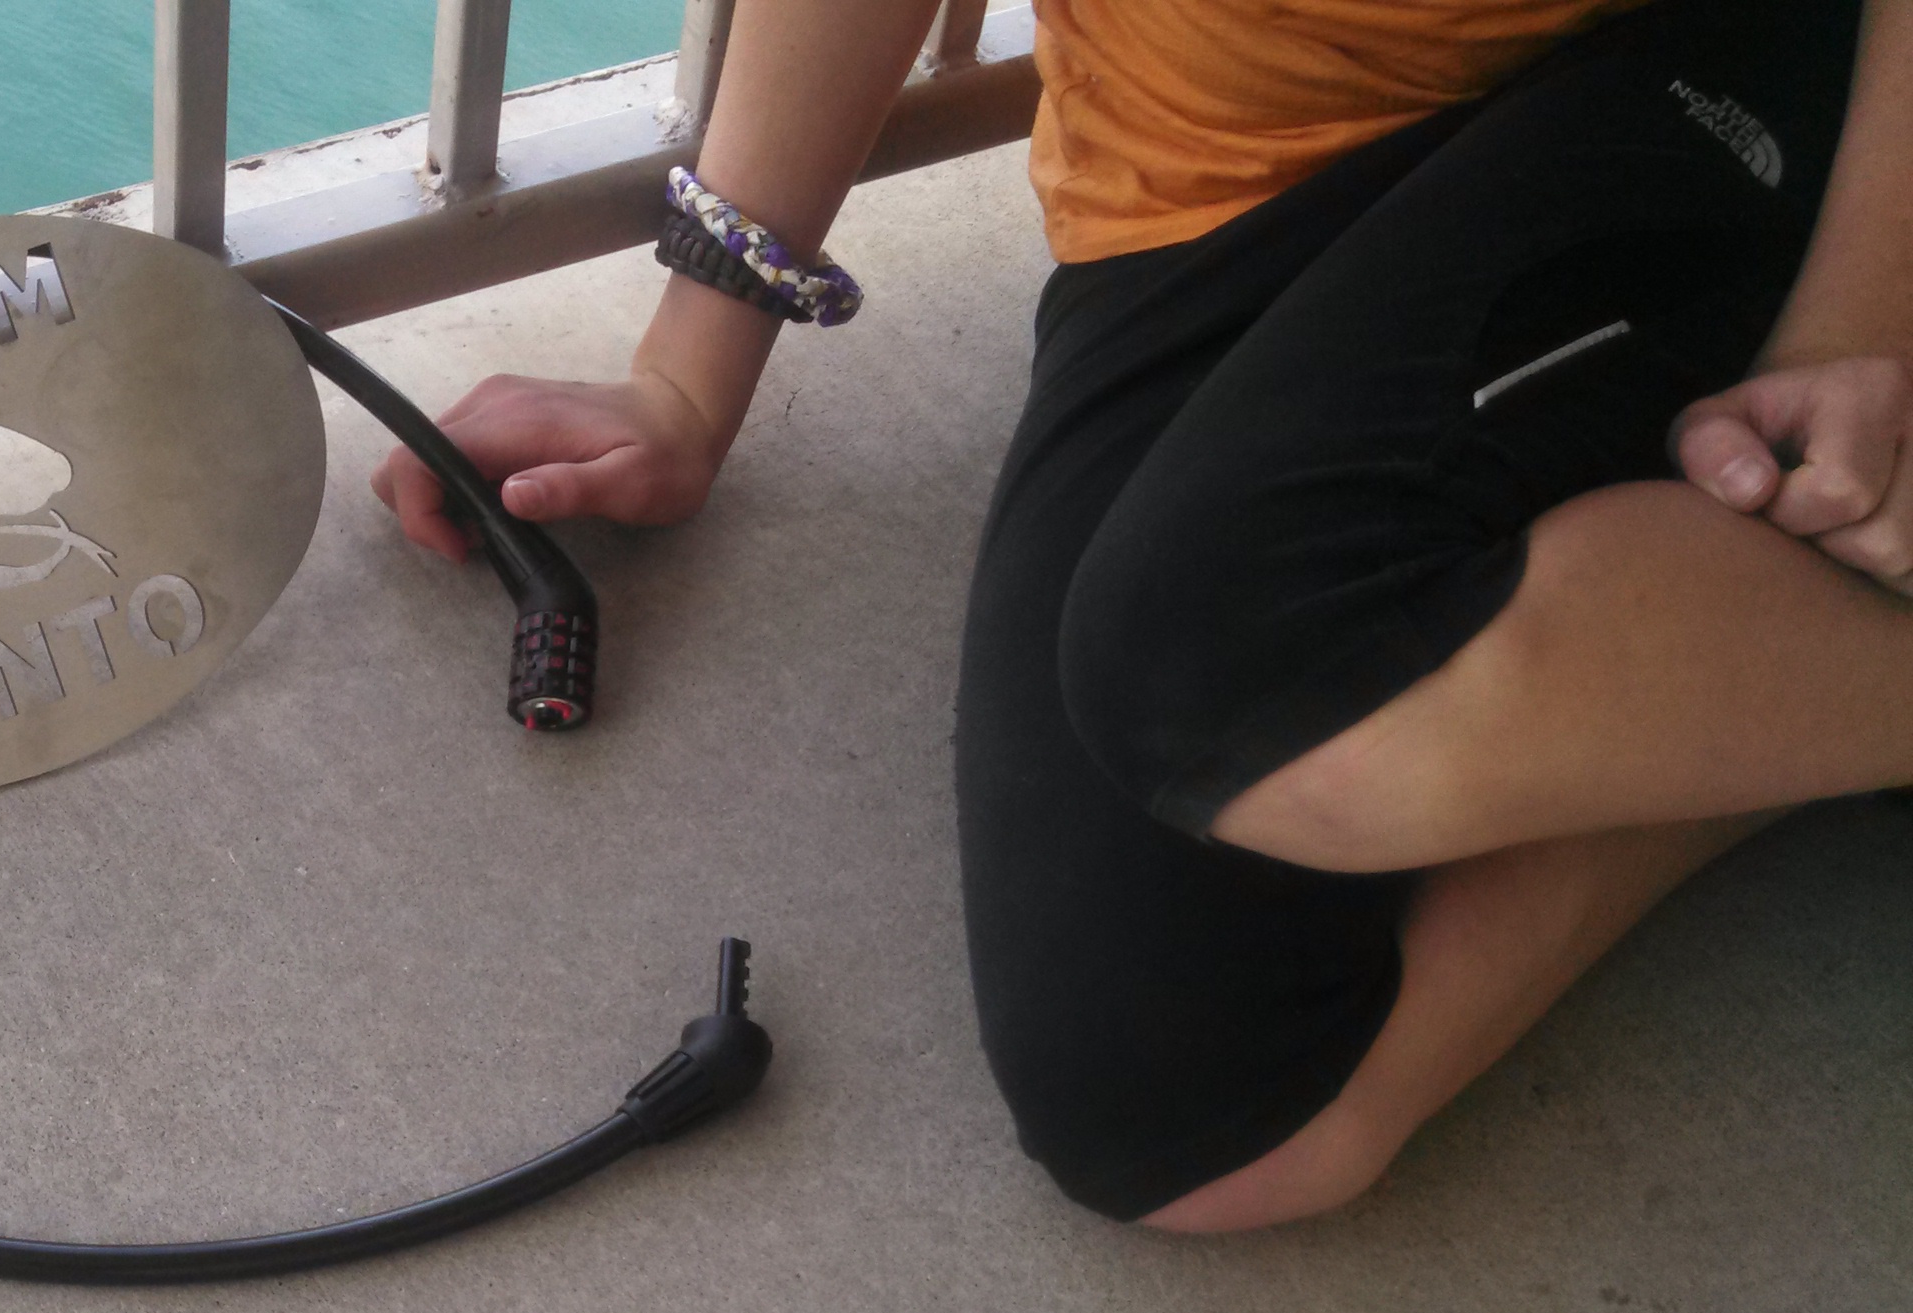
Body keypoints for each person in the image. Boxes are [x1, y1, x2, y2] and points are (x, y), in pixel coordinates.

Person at [373, 0, 1912, 1232]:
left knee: (1235, 672)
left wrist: (1859, 334)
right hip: (1195, 206)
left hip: (1684, 83)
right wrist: (686, 374)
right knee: (1194, 1131)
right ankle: (1761, 714)